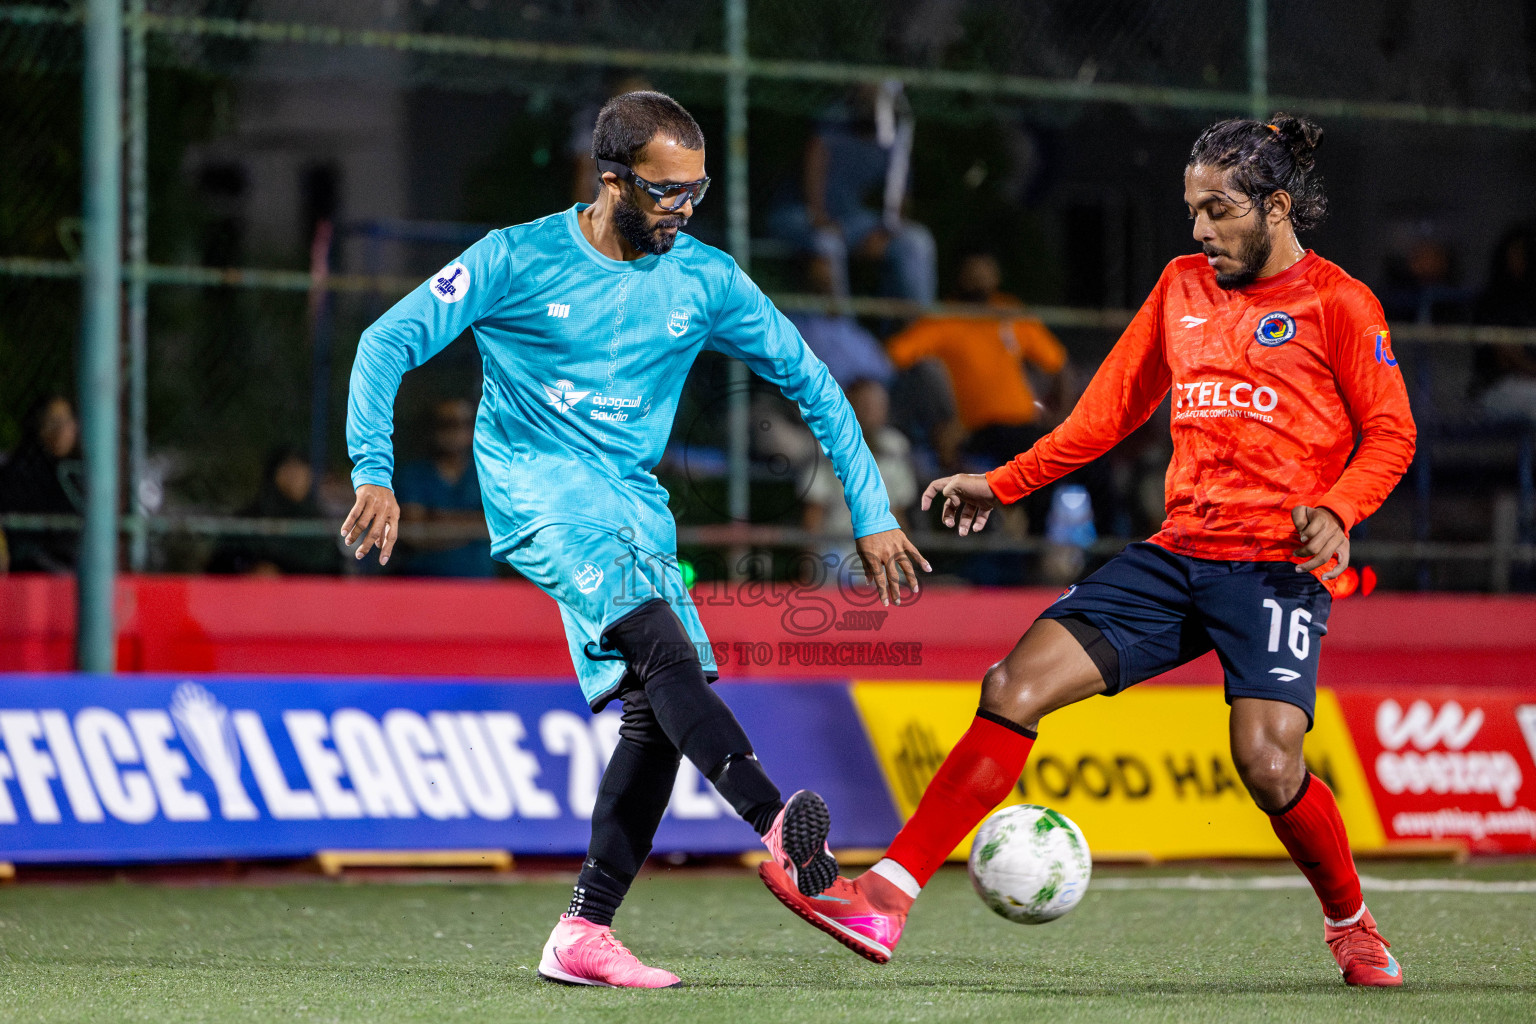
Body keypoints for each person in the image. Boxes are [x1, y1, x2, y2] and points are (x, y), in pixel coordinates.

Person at [763, 114, 1417, 988]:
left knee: (1266, 763)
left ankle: (1352, 923)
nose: (1198, 230)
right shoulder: (1182, 286)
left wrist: (1337, 509)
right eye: (1192, 210)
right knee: (1011, 686)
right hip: (1175, 555)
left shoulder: (1340, 303)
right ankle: (883, 897)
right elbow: (1103, 418)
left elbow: (1391, 435)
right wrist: (1000, 484)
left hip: (1275, 569)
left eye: (1219, 211)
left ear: (1277, 206)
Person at [342, 90, 929, 989]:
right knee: (659, 644)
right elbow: (385, 343)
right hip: (541, 498)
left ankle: (583, 931)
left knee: (660, 708)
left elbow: (815, 384)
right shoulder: (516, 257)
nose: (683, 210)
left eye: (695, 192)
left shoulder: (704, 279)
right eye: (666, 193)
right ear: (611, 180)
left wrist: (873, 511)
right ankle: (780, 834)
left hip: (636, 512)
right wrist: (373, 470)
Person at [886, 251, 1069, 470]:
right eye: (972, 275)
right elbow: (895, 354)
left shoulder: (1008, 312)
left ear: (996, 278)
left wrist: (1063, 414)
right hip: (975, 429)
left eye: (985, 275)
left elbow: (1058, 362)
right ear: (960, 278)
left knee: (1087, 456)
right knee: (1028, 457)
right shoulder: (943, 318)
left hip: (1025, 423)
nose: (978, 281)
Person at [772, 82, 937, 305]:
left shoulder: (894, 132)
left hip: (851, 219)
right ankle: (845, 334)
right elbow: (814, 166)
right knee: (829, 244)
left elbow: (899, 194)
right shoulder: (834, 119)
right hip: (800, 214)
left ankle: (920, 332)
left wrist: (887, 230)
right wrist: (821, 219)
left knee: (917, 241)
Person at [802, 378, 917, 563]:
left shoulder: (896, 446)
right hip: (836, 553)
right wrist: (809, 566)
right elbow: (814, 514)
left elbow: (898, 513)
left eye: (878, 405)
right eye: (865, 404)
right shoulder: (826, 444)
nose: (871, 412)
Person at [392, 397, 493, 578]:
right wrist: (475, 524)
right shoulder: (413, 474)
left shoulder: (488, 474)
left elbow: (498, 527)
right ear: (432, 430)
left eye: (463, 423)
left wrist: (434, 518)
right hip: (421, 583)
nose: (454, 431)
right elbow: (414, 533)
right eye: (446, 424)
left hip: (480, 586)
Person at [208, 447, 341, 576]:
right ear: (273, 474)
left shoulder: (318, 521)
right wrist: (251, 569)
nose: (295, 477)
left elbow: (333, 570)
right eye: (288, 469)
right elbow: (222, 564)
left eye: (301, 469)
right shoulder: (252, 516)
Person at [0, 394, 82, 572]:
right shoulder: (20, 470)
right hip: (30, 567)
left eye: (68, 420)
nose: (64, 429)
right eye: (54, 421)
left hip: (69, 567)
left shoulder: (73, 472)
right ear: (39, 427)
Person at [1471, 223, 1536, 422]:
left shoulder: (1530, 298)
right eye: (1513, 253)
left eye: (1523, 253)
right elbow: (1505, 357)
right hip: (1496, 388)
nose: (1517, 260)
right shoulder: (1493, 301)